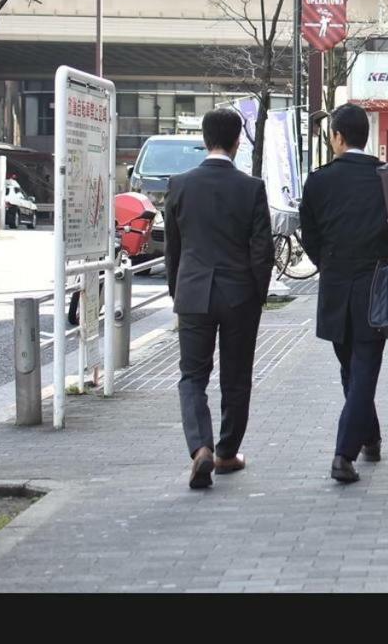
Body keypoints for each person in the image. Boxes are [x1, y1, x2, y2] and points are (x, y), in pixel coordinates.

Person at [299, 104, 388, 484]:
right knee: (361, 368)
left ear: (337, 136)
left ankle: (348, 449)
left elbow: (310, 238)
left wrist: (330, 264)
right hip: (376, 288)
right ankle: (361, 441)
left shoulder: (318, 181)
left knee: (351, 367)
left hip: (334, 288)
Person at [165, 108, 274, 490]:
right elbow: (263, 251)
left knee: (192, 376)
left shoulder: (179, 185)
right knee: (236, 376)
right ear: (237, 141)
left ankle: (200, 448)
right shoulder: (251, 187)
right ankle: (227, 453)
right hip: (239, 294)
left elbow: (173, 249)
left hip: (193, 290)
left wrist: (176, 290)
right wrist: (257, 294)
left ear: (205, 139)